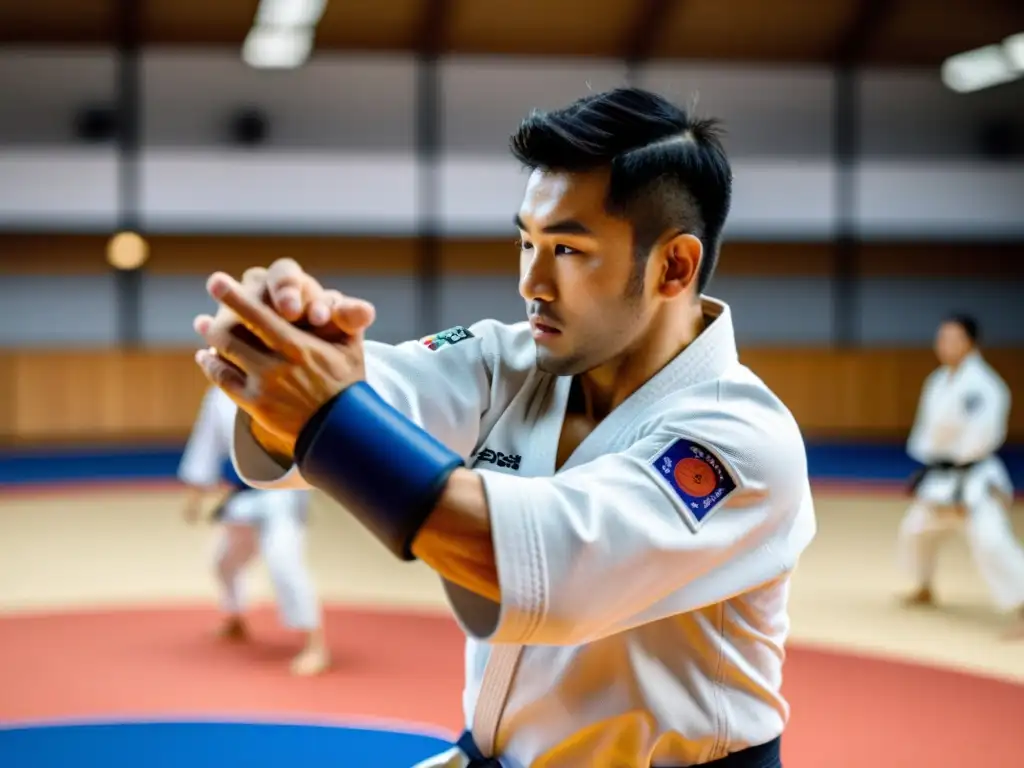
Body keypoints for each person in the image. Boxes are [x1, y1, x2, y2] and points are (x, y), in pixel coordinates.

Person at [194, 88, 816, 767]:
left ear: (674, 265)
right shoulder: (510, 360)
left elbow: (541, 569)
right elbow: (367, 395)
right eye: (526, 240)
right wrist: (285, 344)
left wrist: (328, 412)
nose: (531, 282)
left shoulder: (743, 439)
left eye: (569, 251)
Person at [178, 384, 330, 675]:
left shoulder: (286, 387)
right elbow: (205, 446)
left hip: (284, 494)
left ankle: (316, 644)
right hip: (243, 495)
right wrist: (195, 495)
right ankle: (235, 619)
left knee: (284, 564)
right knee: (223, 561)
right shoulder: (219, 395)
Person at [898, 314, 1024, 637]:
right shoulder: (938, 381)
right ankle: (924, 586)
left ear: (969, 342)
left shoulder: (985, 386)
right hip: (941, 476)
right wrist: (932, 470)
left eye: (952, 338)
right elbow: (927, 434)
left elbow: (981, 437)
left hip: (974, 479)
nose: (943, 345)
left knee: (992, 542)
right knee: (915, 531)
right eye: (941, 338)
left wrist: (958, 486)